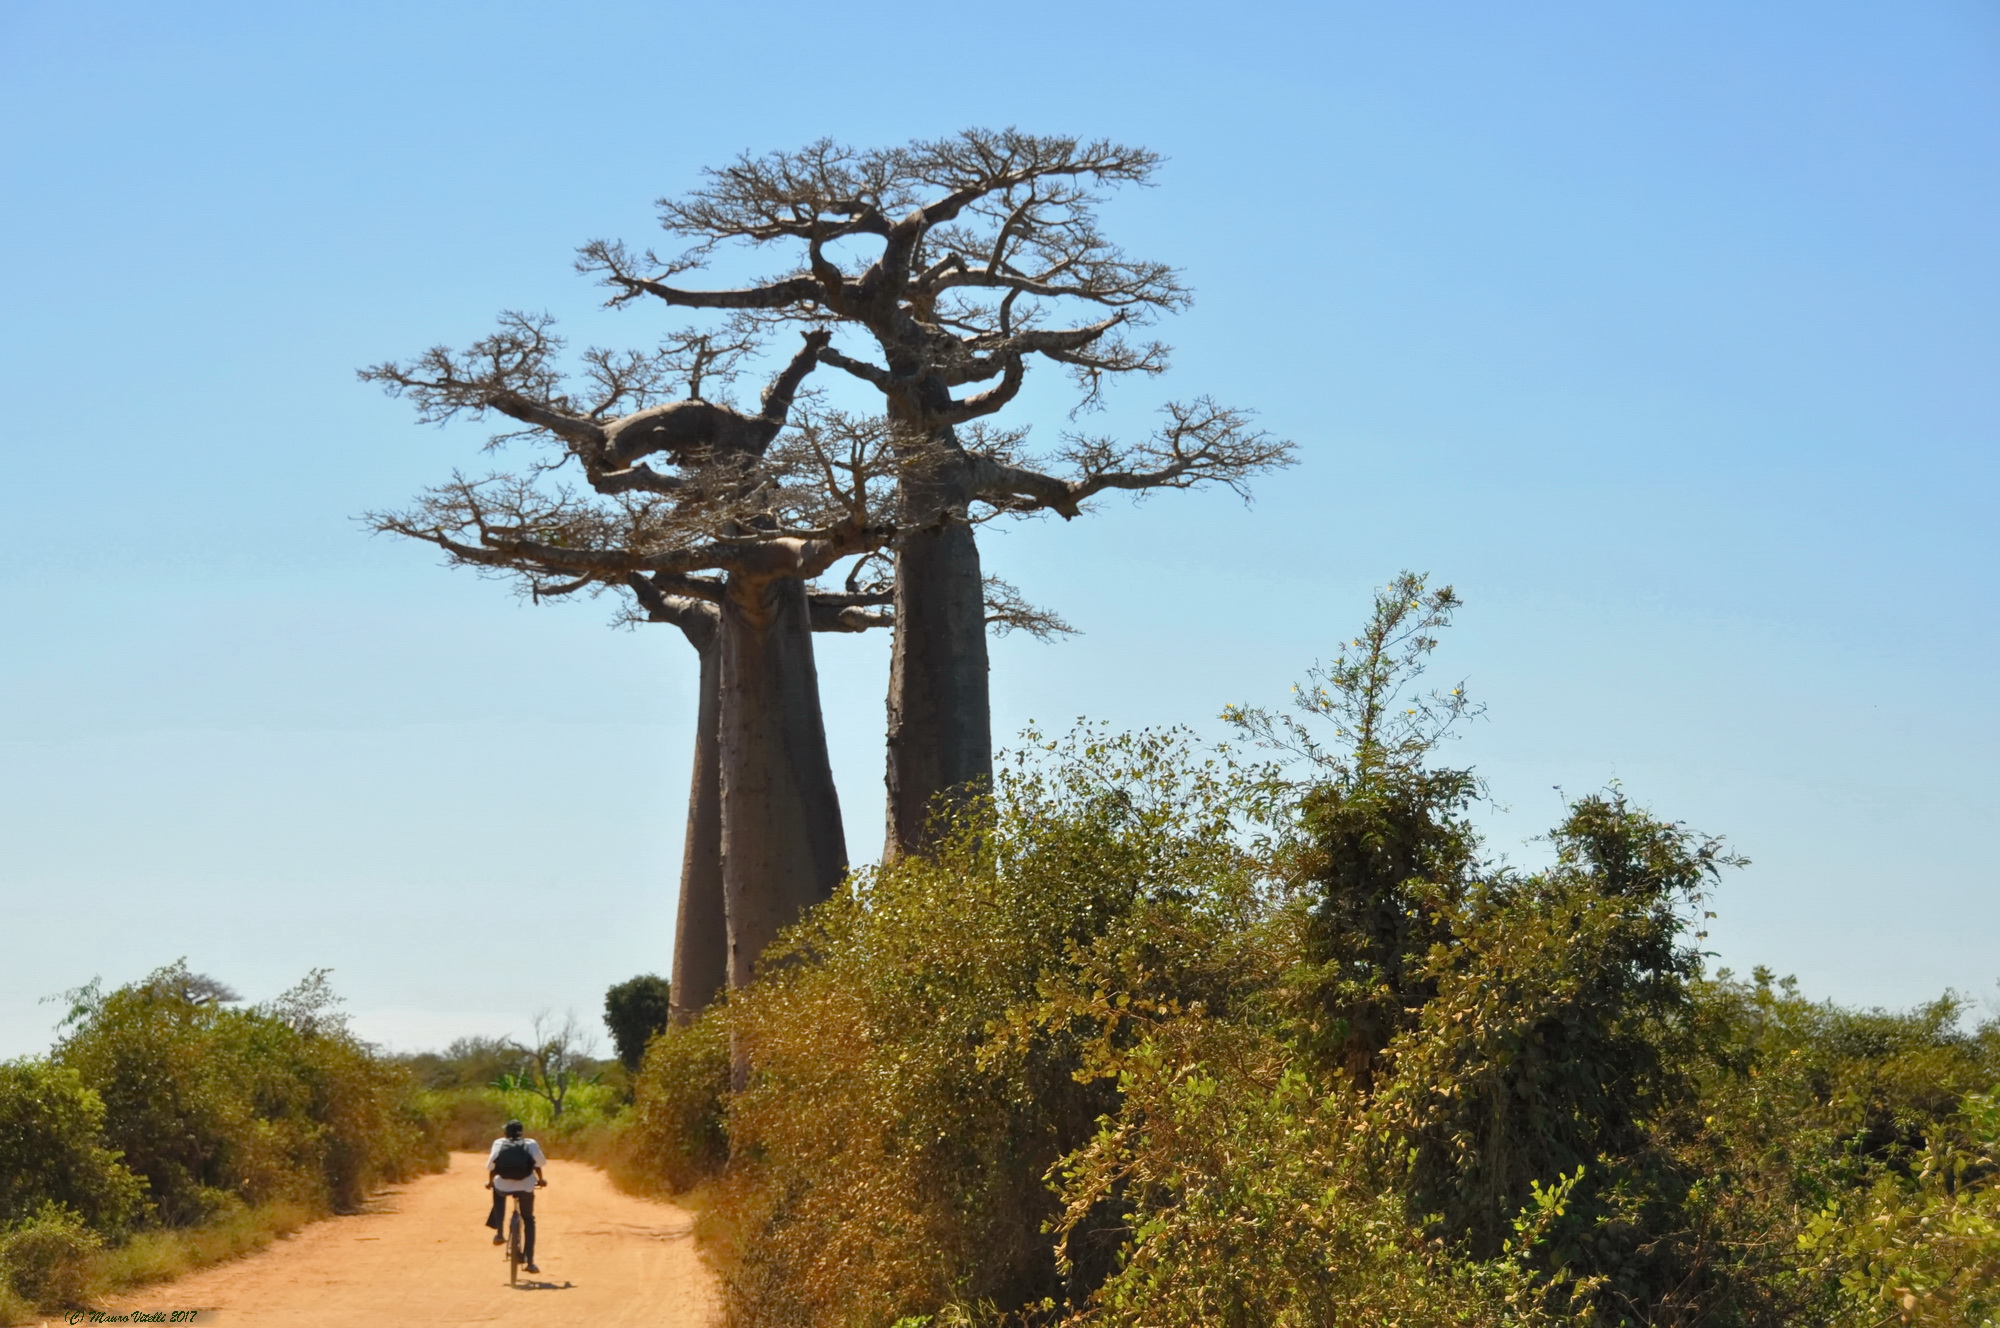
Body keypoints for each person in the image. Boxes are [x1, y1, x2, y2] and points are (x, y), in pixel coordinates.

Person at [484, 1119, 547, 1273]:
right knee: (529, 1219)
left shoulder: (499, 1143)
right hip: (526, 1186)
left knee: (498, 1195)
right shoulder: (530, 1143)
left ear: (506, 1132)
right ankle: (530, 1262)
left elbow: (491, 1166)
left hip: (503, 1186)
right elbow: (540, 1163)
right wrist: (540, 1180)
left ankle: (499, 1233)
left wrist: (490, 1182)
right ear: (521, 1132)